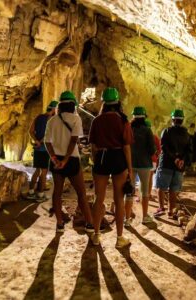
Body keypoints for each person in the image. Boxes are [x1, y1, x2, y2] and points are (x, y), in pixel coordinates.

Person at [89, 87, 133, 248]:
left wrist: (96, 160)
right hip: (118, 158)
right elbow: (127, 147)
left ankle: (96, 235)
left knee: (98, 199)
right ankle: (120, 238)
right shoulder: (123, 120)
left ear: (104, 103)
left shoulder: (97, 120)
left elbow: (93, 145)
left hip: (101, 157)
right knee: (119, 200)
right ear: (117, 102)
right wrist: (130, 169)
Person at [45, 90, 94, 233]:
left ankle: (59, 224)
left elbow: (47, 142)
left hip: (56, 160)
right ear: (73, 105)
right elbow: (74, 140)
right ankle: (89, 224)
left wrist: (54, 158)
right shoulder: (75, 118)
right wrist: (66, 159)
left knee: (57, 193)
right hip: (71, 159)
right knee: (81, 193)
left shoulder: (52, 120)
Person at [154, 109, 192, 218]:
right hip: (179, 167)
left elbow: (164, 147)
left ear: (173, 119)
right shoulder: (187, 134)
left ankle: (161, 208)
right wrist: (182, 160)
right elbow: (189, 150)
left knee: (161, 187)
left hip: (166, 164)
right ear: (182, 120)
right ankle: (171, 211)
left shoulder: (166, 131)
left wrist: (175, 159)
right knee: (173, 190)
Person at [124, 107, 156, 227]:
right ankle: (144, 217)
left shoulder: (128, 128)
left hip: (130, 164)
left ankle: (126, 219)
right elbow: (152, 150)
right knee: (144, 192)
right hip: (144, 164)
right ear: (144, 117)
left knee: (129, 191)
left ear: (133, 117)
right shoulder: (147, 130)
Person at [27, 100, 58, 201]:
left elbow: (31, 131)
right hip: (46, 149)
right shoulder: (52, 119)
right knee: (44, 173)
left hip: (37, 148)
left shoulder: (38, 117)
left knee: (36, 170)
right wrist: (41, 141)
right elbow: (48, 135)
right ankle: (40, 194)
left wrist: (36, 141)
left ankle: (30, 192)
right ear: (54, 109)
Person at [145, 119, 161, 200]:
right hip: (152, 160)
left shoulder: (140, 137)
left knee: (143, 178)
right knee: (150, 178)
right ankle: (148, 194)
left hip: (142, 160)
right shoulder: (155, 137)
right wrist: (156, 157)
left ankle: (143, 195)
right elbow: (159, 150)